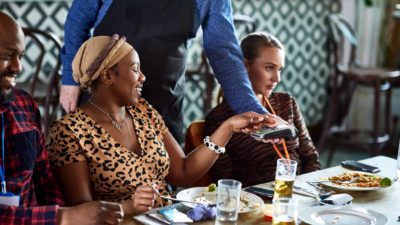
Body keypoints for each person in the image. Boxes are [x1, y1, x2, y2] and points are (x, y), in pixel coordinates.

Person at [47, 35, 274, 214]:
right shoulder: (69, 131)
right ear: (107, 76)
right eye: (135, 69)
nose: (143, 77)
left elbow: (184, 173)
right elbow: (80, 213)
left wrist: (229, 127)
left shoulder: (143, 111)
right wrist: (128, 207)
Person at [59, 0, 278, 143]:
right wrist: (71, 79)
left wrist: (253, 110)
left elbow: (223, 51)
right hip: (103, 96)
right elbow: (77, 22)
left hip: (163, 100)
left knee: (160, 188)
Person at [0, 11, 124, 225]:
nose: (18, 67)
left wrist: (60, 213)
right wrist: (63, 217)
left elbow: (46, 181)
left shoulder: (24, 106)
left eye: (20, 56)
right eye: (5, 56)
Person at [204, 32, 321, 187]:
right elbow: (225, 183)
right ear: (244, 66)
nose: (277, 78)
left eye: (280, 70)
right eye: (269, 68)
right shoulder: (220, 118)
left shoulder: (287, 102)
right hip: (257, 201)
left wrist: (312, 191)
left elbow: (311, 157)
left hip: (300, 192)